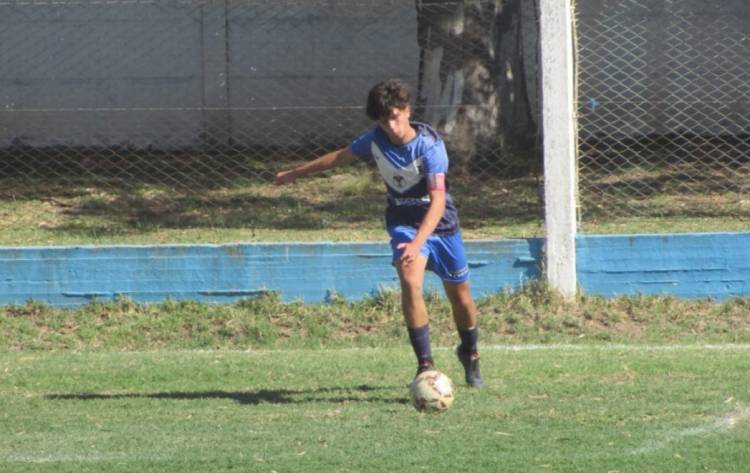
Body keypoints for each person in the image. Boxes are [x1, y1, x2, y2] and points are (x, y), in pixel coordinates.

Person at [274, 79, 483, 387]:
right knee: (411, 281)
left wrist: (419, 242)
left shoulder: (430, 146)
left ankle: (470, 352)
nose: (392, 126)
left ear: (407, 110)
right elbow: (341, 156)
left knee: (461, 297)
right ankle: (425, 365)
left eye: (396, 117)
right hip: (403, 223)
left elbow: (438, 203)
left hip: (441, 226)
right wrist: (296, 173)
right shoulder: (375, 140)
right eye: (385, 121)